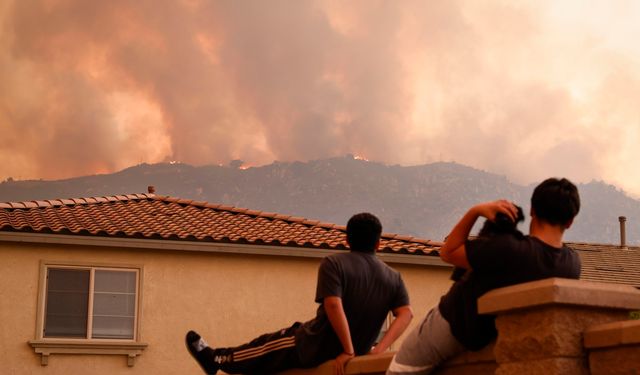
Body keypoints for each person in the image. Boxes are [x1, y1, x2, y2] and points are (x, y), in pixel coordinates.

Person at [387, 177, 581, 375]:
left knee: (398, 371)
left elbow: (448, 252)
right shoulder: (571, 264)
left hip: (454, 326)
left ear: (532, 211)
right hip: (495, 336)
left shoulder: (510, 249)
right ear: (570, 221)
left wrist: (475, 211)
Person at [186, 212, 414, 375]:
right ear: (378, 243)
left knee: (265, 347)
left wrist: (348, 349)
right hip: (359, 351)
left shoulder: (334, 263)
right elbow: (406, 314)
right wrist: (378, 350)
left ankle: (216, 358)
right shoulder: (393, 277)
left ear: (347, 240)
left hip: (315, 345)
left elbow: (333, 305)